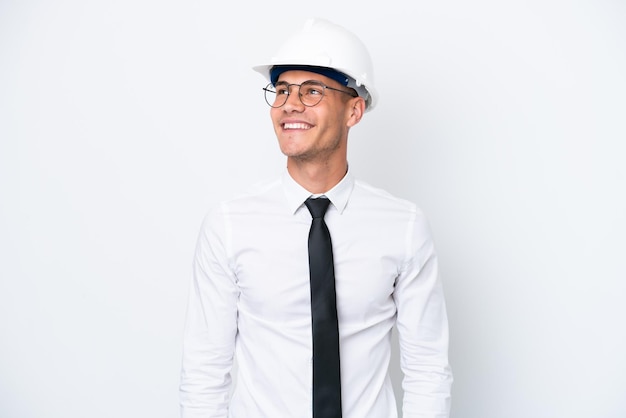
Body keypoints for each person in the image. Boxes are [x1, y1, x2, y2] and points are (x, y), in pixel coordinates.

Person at [179, 18, 452, 418]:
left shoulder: (404, 226)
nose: (289, 104)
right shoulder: (230, 224)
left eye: (312, 92)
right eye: (282, 90)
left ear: (354, 110)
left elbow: (428, 369)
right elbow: (204, 371)